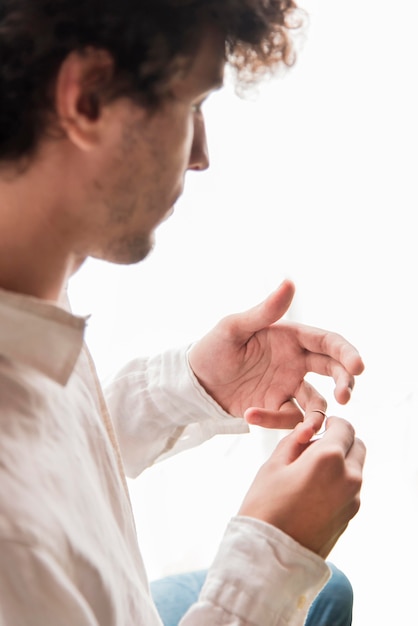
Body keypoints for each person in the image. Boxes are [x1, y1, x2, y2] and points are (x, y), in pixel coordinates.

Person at [0, 1, 366, 625]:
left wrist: (192, 386)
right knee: (311, 586)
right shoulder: (16, 550)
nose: (201, 154)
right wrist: (273, 560)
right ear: (86, 99)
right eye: (192, 105)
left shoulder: (28, 286)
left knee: (328, 593)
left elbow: (46, 439)